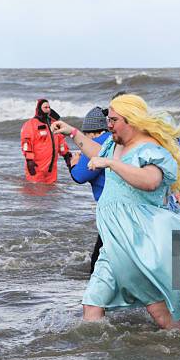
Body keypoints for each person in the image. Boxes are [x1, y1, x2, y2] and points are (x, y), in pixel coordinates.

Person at [51, 94, 180, 330]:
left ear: (130, 120)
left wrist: (112, 164)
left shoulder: (151, 150)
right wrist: (73, 133)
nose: (108, 125)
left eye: (113, 120)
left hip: (137, 240)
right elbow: (97, 152)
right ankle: (96, 359)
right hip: (114, 241)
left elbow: (150, 181)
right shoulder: (114, 144)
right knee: (92, 304)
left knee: (160, 314)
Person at [69, 106, 111, 273]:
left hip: (113, 210)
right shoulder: (126, 143)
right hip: (163, 208)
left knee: (98, 264)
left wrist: (72, 163)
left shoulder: (98, 144)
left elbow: (79, 176)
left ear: (92, 133)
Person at [21, 99, 71, 183]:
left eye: (49, 107)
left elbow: (61, 141)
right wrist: (29, 160)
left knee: (51, 192)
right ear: (39, 108)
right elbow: (27, 143)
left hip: (51, 169)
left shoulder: (53, 124)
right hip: (36, 167)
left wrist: (66, 156)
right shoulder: (30, 124)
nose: (48, 109)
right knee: (35, 190)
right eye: (45, 107)